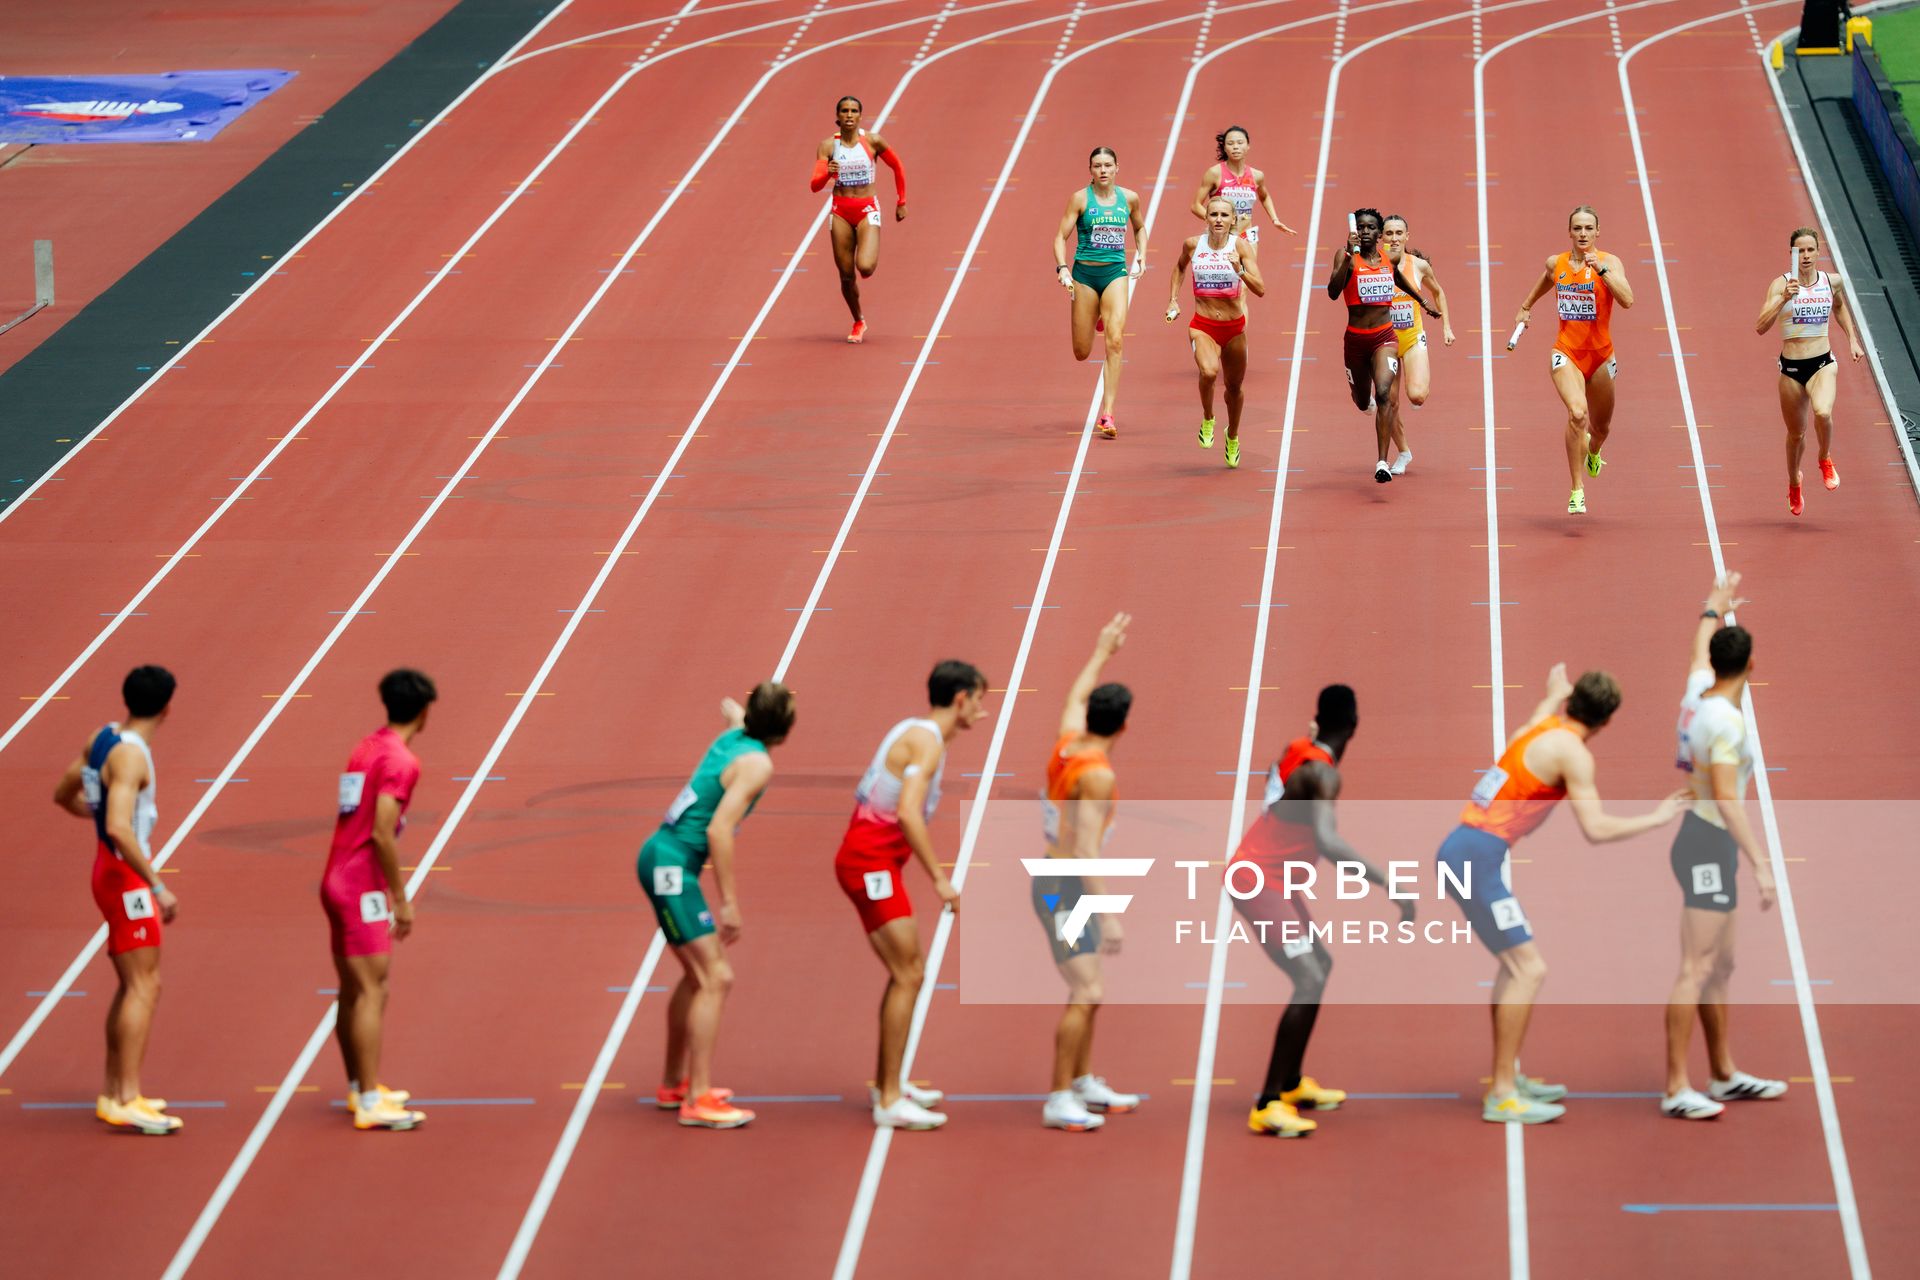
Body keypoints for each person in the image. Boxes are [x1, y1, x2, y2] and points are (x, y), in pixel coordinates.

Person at [1435, 664, 1688, 1123]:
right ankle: (1503, 1095)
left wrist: (1551, 694)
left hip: (1464, 850)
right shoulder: (1574, 753)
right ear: (1606, 722)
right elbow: (1596, 829)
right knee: (1530, 969)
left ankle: (1507, 1074)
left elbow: (1535, 715)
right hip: (1476, 859)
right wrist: (1658, 818)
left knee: (1514, 966)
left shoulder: (1537, 729)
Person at [1232, 685, 1411, 1137]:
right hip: (1258, 882)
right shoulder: (1324, 775)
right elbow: (1330, 843)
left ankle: (1291, 1085)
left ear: (1317, 721)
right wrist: (1389, 884)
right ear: (1353, 727)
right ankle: (1268, 1103)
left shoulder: (1297, 750)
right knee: (1308, 976)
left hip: (1272, 876)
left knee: (1320, 965)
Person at [834, 661, 988, 1129]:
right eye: (979, 698)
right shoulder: (927, 742)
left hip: (873, 862)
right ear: (961, 698)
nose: (982, 709)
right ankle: (888, 1100)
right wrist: (940, 879)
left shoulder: (915, 730)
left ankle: (890, 1086)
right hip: (870, 865)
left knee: (908, 973)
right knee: (909, 973)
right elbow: (907, 812)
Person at [641, 685, 797, 1129]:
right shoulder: (758, 764)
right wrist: (729, 902)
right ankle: (699, 1098)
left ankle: (675, 1083)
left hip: (659, 855)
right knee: (718, 977)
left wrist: (737, 713)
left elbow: (737, 720)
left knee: (697, 976)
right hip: (672, 867)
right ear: (785, 729)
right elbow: (719, 831)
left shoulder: (734, 739)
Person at [1662, 573, 1786, 1119]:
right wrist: (1762, 865)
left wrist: (1712, 606)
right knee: (1695, 966)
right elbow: (1731, 802)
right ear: (1751, 667)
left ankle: (1723, 1073)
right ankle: (1675, 1088)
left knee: (1722, 964)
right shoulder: (1726, 724)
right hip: (1707, 844)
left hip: (1709, 844)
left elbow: (1695, 650)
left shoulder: (1697, 692)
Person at [53, 665, 181, 1135]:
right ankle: (128, 1096)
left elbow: (63, 793)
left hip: (109, 872)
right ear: (168, 708)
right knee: (145, 986)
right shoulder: (131, 758)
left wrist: (101, 810)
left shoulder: (102, 737)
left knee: (135, 983)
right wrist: (158, 885)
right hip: (126, 878)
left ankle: (115, 1092)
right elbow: (119, 827)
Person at [1029, 614, 1142, 1131]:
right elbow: (1087, 853)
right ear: (1123, 726)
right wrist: (1111, 916)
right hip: (1063, 890)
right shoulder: (1096, 774)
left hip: (1063, 886)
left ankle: (1081, 1081)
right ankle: (1058, 1097)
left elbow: (1074, 699)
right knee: (1087, 991)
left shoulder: (1067, 743)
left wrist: (1101, 651)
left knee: (1091, 987)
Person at [321, 668, 436, 1132]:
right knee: (373, 990)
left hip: (336, 874)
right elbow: (382, 833)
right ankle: (369, 1100)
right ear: (425, 711)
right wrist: (401, 898)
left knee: (352, 991)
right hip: (361, 884)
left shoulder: (365, 746)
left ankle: (359, 1087)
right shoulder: (402, 762)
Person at [1511, 206, 1634, 515]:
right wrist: (1525, 306)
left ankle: (1594, 450)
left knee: (1601, 427)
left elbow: (1628, 300)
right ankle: (1577, 489)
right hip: (1566, 352)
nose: (1582, 234)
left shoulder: (1610, 262)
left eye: (1588, 228)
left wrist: (1602, 272)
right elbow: (1546, 279)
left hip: (1602, 356)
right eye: (1577, 228)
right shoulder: (1558, 263)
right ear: (1569, 232)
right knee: (1577, 414)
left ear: (1597, 232)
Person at [1755, 226, 1864, 515]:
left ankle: (1825, 458)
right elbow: (1760, 327)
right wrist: (1783, 299)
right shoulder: (1780, 285)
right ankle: (1794, 483)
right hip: (1791, 370)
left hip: (1822, 364)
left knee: (1823, 412)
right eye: (1799, 251)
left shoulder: (1831, 281)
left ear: (1818, 252)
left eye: (1810, 250)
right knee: (1796, 435)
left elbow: (1840, 307)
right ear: (1792, 254)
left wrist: (1852, 339)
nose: (1805, 256)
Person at [1326, 208, 1437, 483]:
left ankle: (1382, 462)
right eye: (1361, 227)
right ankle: (1365, 400)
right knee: (1364, 401)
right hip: (1355, 340)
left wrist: (1423, 303)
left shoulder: (1388, 258)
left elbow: (1398, 278)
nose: (1365, 231)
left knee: (1386, 393)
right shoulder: (1345, 257)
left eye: (1371, 228)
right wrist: (1349, 255)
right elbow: (1332, 292)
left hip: (1384, 337)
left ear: (1379, 234)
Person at [1053, 146, 1147, 439]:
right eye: (1097, 166)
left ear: (1117, 167)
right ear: (1090, 170)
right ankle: (1096, 317)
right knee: (1082, 352)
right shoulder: (1081, 199)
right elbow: (1060, 237)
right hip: (1084, 276)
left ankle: (1107, 412)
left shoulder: (1129, 198)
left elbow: (1140, 228)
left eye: (1108, 165)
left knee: (1115, 340)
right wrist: (1062, 268)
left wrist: (1142, 253)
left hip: (1114, 274)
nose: (1103, 170)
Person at [1166, 196, 1266, 469]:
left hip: (1234, 328)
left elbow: (1260, 289)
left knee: (1234, 388)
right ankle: (1208, 417)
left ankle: (1232, 435)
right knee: (1209, 372)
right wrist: (1173, 298)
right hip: (1203, 325)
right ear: (1206, 218)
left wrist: (1240, 269)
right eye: (1214, 215)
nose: (1219, 220)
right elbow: (1178, 268)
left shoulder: (1241, 247)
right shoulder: (1192, 245)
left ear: (1233, 219)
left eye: (1224, 215)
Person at [810, 95, 907, 344]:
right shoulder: (827, 146)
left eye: (854, 111)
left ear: (860, 116)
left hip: (866, 209)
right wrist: (826, 175)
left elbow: (897, 166)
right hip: (840, 210)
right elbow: (814, 185)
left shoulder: (873, 141)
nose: (849, 115)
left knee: (865, 267)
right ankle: (858, 320)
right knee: (845, 275)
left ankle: (867, 250)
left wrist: (901, 201)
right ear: (838, 117)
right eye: (845, 111)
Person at [1379, 214, 1456, 475]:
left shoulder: (1419, 266)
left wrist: (1446, 325)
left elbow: (1438, 292)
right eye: (1389, 233)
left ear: (1407, 236)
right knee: (1388, 402)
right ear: (1382, 237)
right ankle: (1403, 452)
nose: (1394, 238)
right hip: (1384, 341)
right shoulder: (1373, 264)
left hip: (1412, 338)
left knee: (1417, 396)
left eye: (1399, 233)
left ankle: (1415, 385)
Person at [1188, 124, 1295, 244]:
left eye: (1240, 143)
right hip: (1221, 236)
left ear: (1248, 146)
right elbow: (1195, 205)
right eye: (1230, 143)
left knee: (1250, 263)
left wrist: (1275, 219)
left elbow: (1264, 197)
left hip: (1247, 235)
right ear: (1224, 147)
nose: (1235, 147)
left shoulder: (1257, 175)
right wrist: (1218, 220)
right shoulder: (1214, 173)